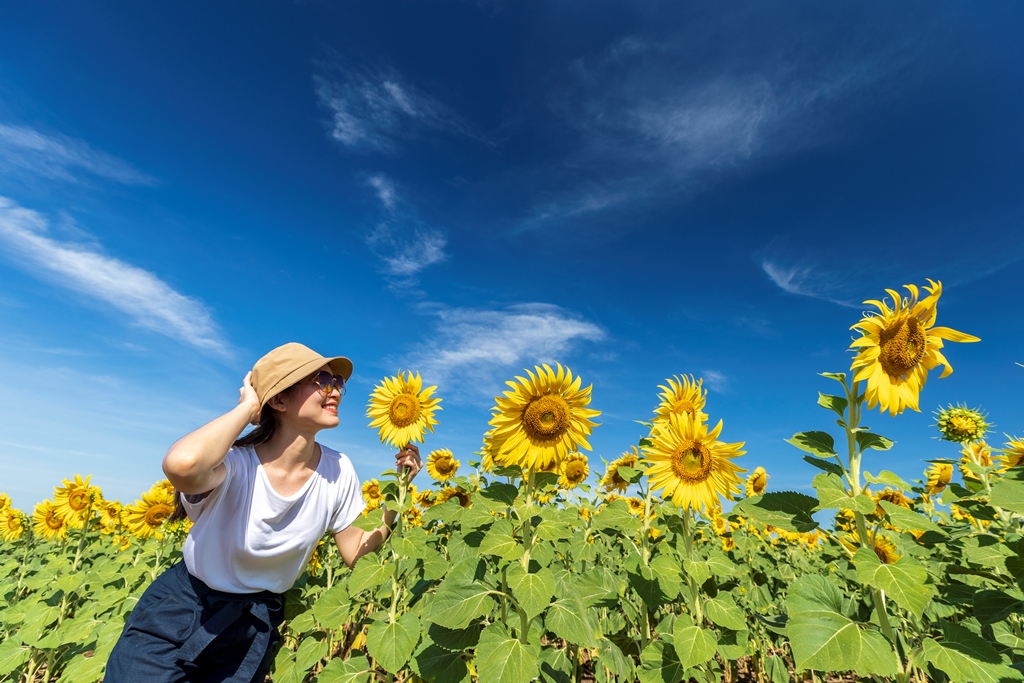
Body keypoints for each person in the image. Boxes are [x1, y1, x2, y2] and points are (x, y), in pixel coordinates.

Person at [105, 342, 421, 682]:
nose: (335, 391)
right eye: (321, 380)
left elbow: (356, 552)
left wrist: (397, 494)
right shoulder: (235, 464)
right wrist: (247, 407)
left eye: (338, 383)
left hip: (253, 625)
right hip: (184, 610)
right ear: (279, 400)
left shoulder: (338, 469)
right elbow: (181, 465)